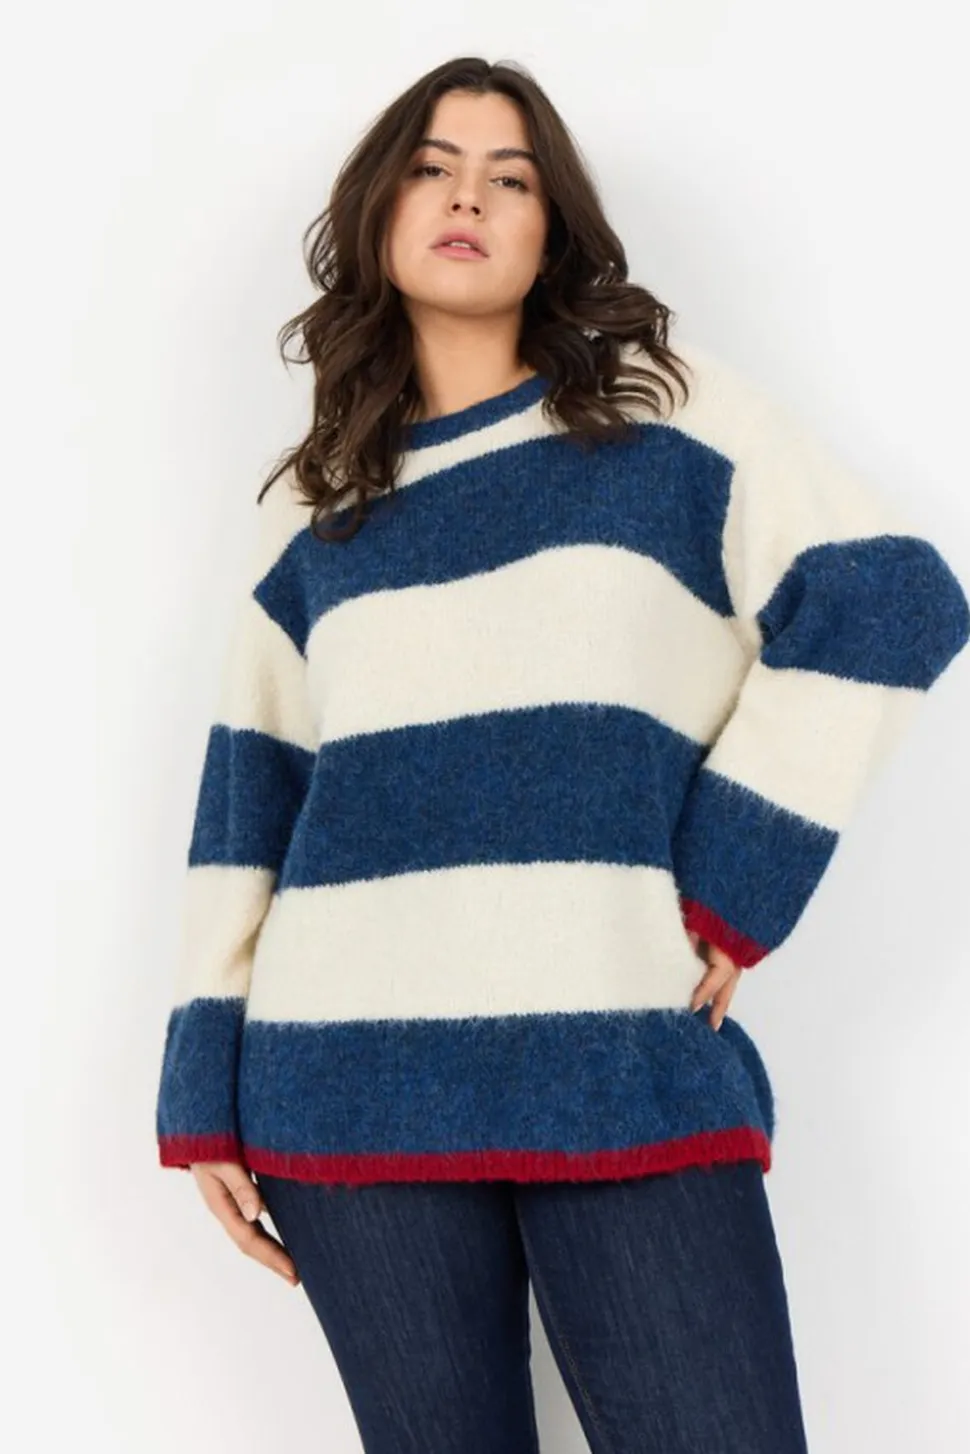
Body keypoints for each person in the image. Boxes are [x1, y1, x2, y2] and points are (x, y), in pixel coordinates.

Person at [153, 56, 970, 1454]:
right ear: (379, 210)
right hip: (344, 1084)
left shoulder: (665, 419)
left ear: (553, 232)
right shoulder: (321, 500)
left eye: (510, 177)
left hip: (619, 1052)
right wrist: (200, 1082)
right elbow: (252, 790)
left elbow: (889, 597)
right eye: (431, 166)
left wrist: (732, 880)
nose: (467, 196)